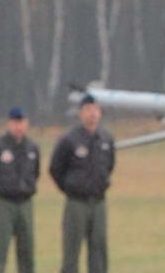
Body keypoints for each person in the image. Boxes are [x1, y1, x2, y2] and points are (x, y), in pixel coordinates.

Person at [50, 94, 115, 273]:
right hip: (76, 203)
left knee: (99, 250)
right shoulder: (69, 140)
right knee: (71, 251)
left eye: (95, 110)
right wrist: (70, 187)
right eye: (87, 110)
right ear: (80, 113)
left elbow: (109, 166)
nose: (92, 114)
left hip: (99, 202)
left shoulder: (106, 139)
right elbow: (56, 169)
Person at [0, 108, 39, 273]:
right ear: (8, 123)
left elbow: (35, 173)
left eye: (22, 122)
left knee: (27, 251)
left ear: (27, 123)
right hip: (3, 203)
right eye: (15, 122)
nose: (19, 126)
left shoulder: (32, 148)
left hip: (25, 203)